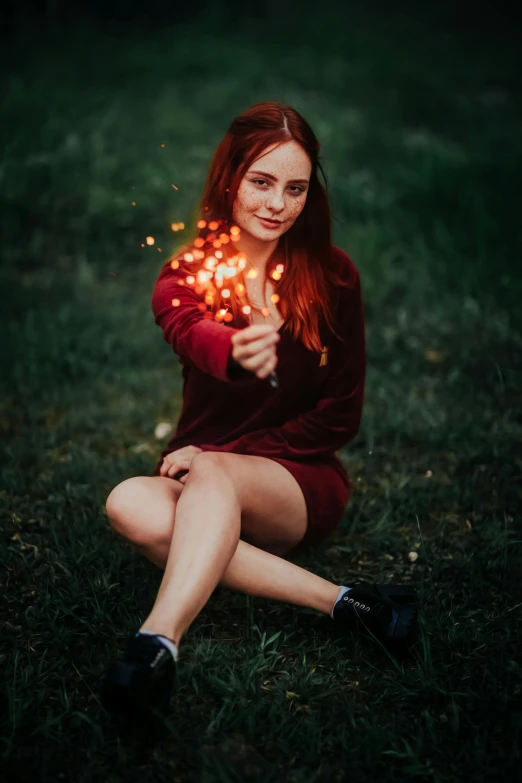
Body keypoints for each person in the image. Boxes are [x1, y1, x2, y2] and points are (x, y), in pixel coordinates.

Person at [100, 101, 418, 723]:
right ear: (230, 180)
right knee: (127, 503)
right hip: (198, 477)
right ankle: (352, 603)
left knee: (213, 473)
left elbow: (339, 415)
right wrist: (235, 348)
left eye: (295, 188)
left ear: (309, 194)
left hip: (295, 479)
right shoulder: (185, 276)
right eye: (262, 182)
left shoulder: (334, 277)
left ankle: (157, 640)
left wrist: (220, 458)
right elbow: (192, 332)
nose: (277, 203)